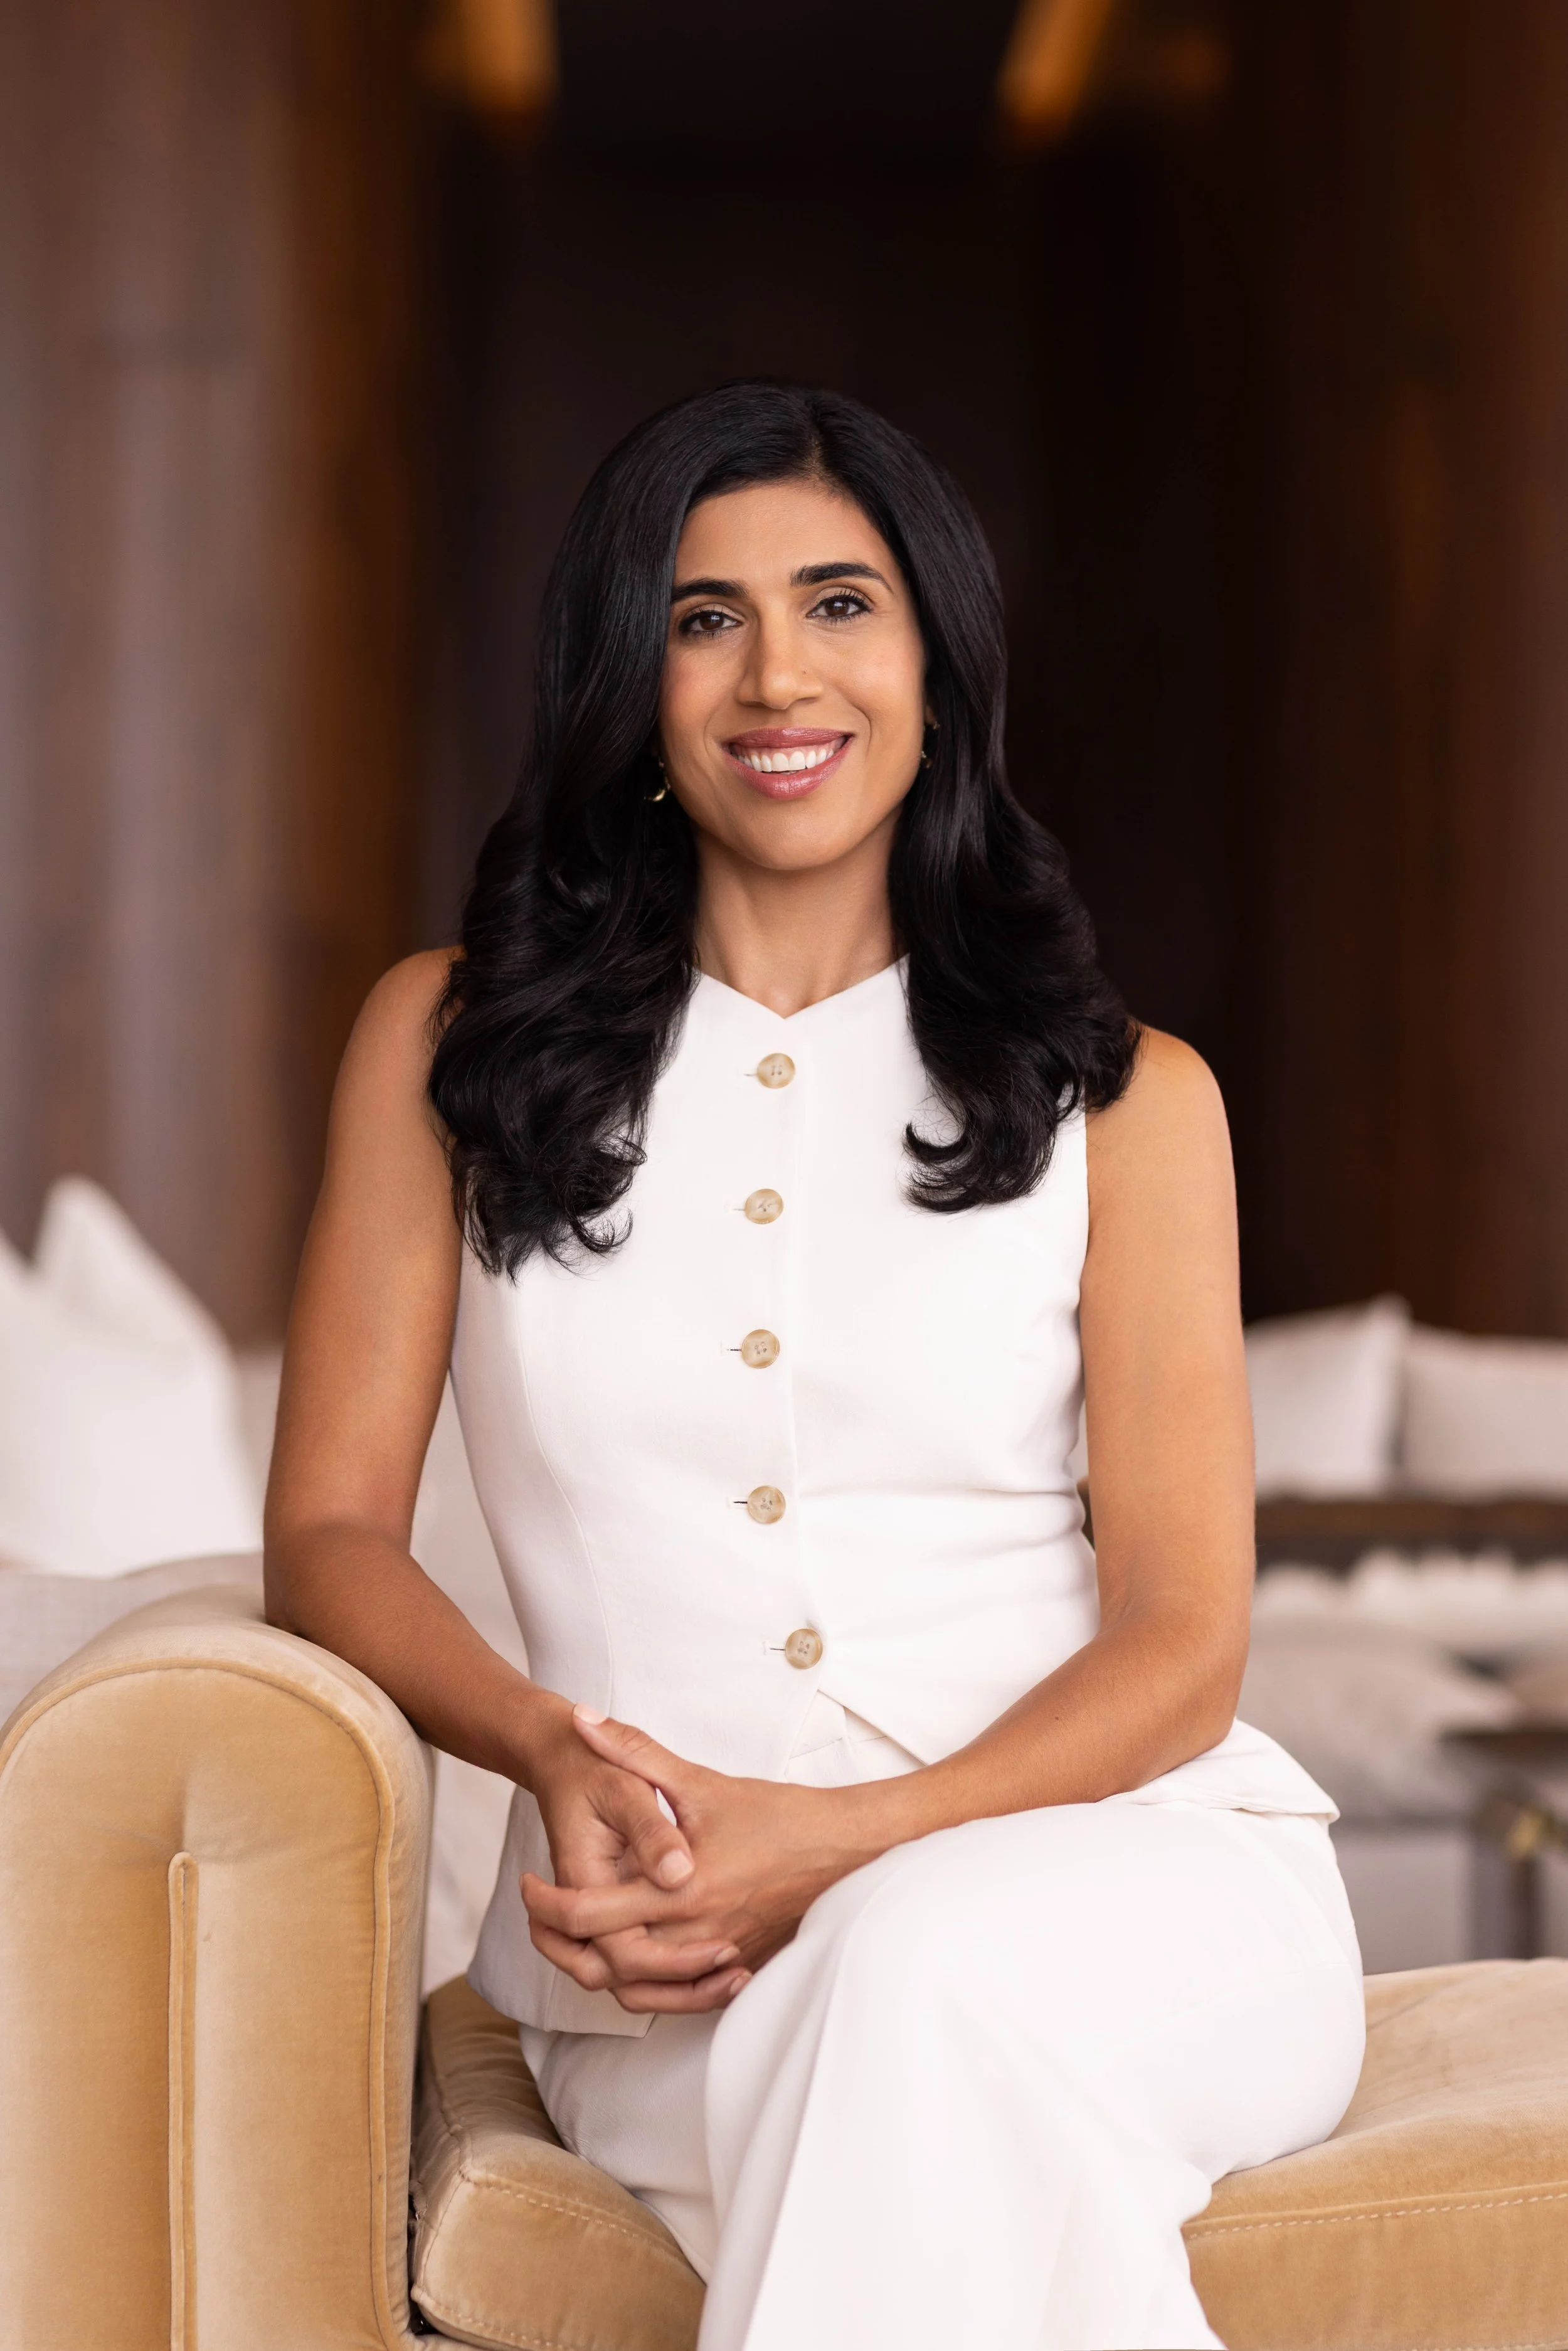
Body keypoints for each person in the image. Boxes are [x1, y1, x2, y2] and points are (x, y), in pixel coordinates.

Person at [265, 382, 1364, 2351]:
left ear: (936, 658)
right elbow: (331, 1530)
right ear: (631, 678)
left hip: (1142, 1907)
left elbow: (1185, 1640)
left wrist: (837, 1850)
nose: (778, 671)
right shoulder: (444, 1047)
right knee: (926, 2103)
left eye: (840, 602)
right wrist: (540, 1744)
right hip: (669, 1973)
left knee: (911, 1976)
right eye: (703, 618)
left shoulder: (1131, 1103)